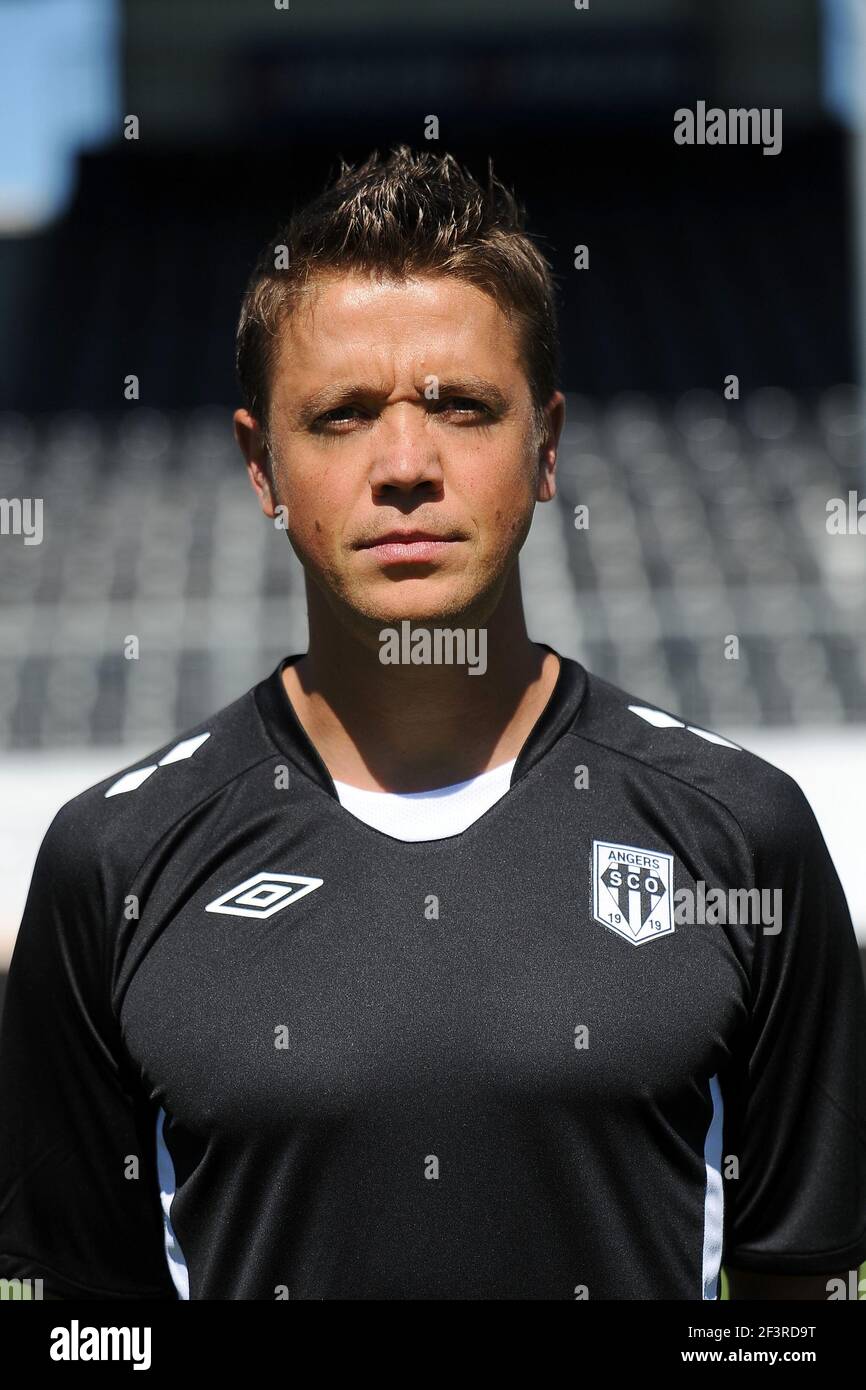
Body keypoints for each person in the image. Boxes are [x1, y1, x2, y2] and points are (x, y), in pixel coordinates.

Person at [0, 146, 864, 1301]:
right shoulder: (108, 865)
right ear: (261, 465)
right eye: (343, 415)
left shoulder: (740, 834)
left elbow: (794, 1312)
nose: (405, 465)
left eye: (460, 407)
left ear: (546, 445)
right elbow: (77, 1326)